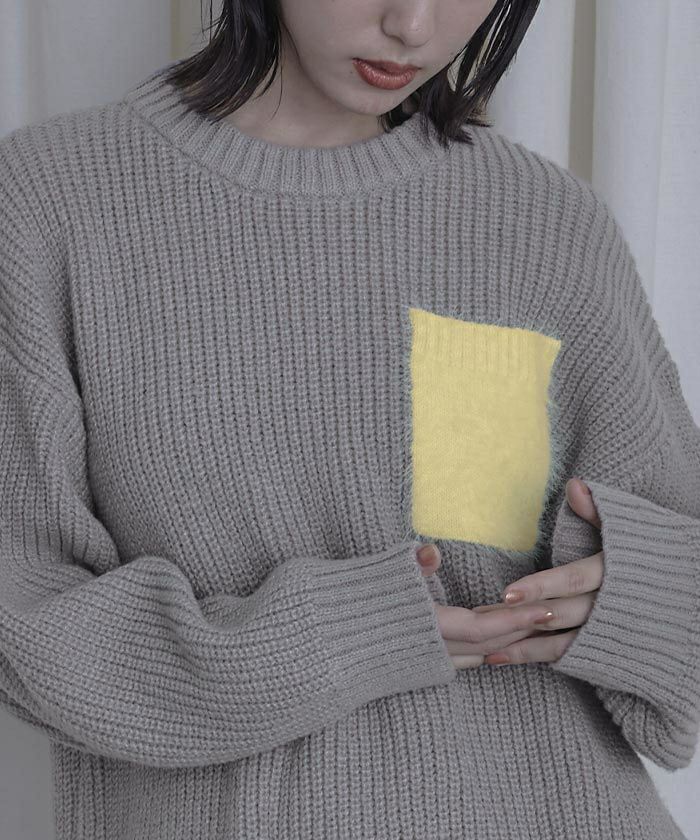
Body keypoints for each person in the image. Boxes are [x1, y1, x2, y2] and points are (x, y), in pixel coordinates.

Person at [0, 0, 698, 838]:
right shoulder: (54, 200)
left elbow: (680, 601)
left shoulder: (545, 221)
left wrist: (640, 598)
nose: (413, 25)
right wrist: (339, 637)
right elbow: (25, 625)